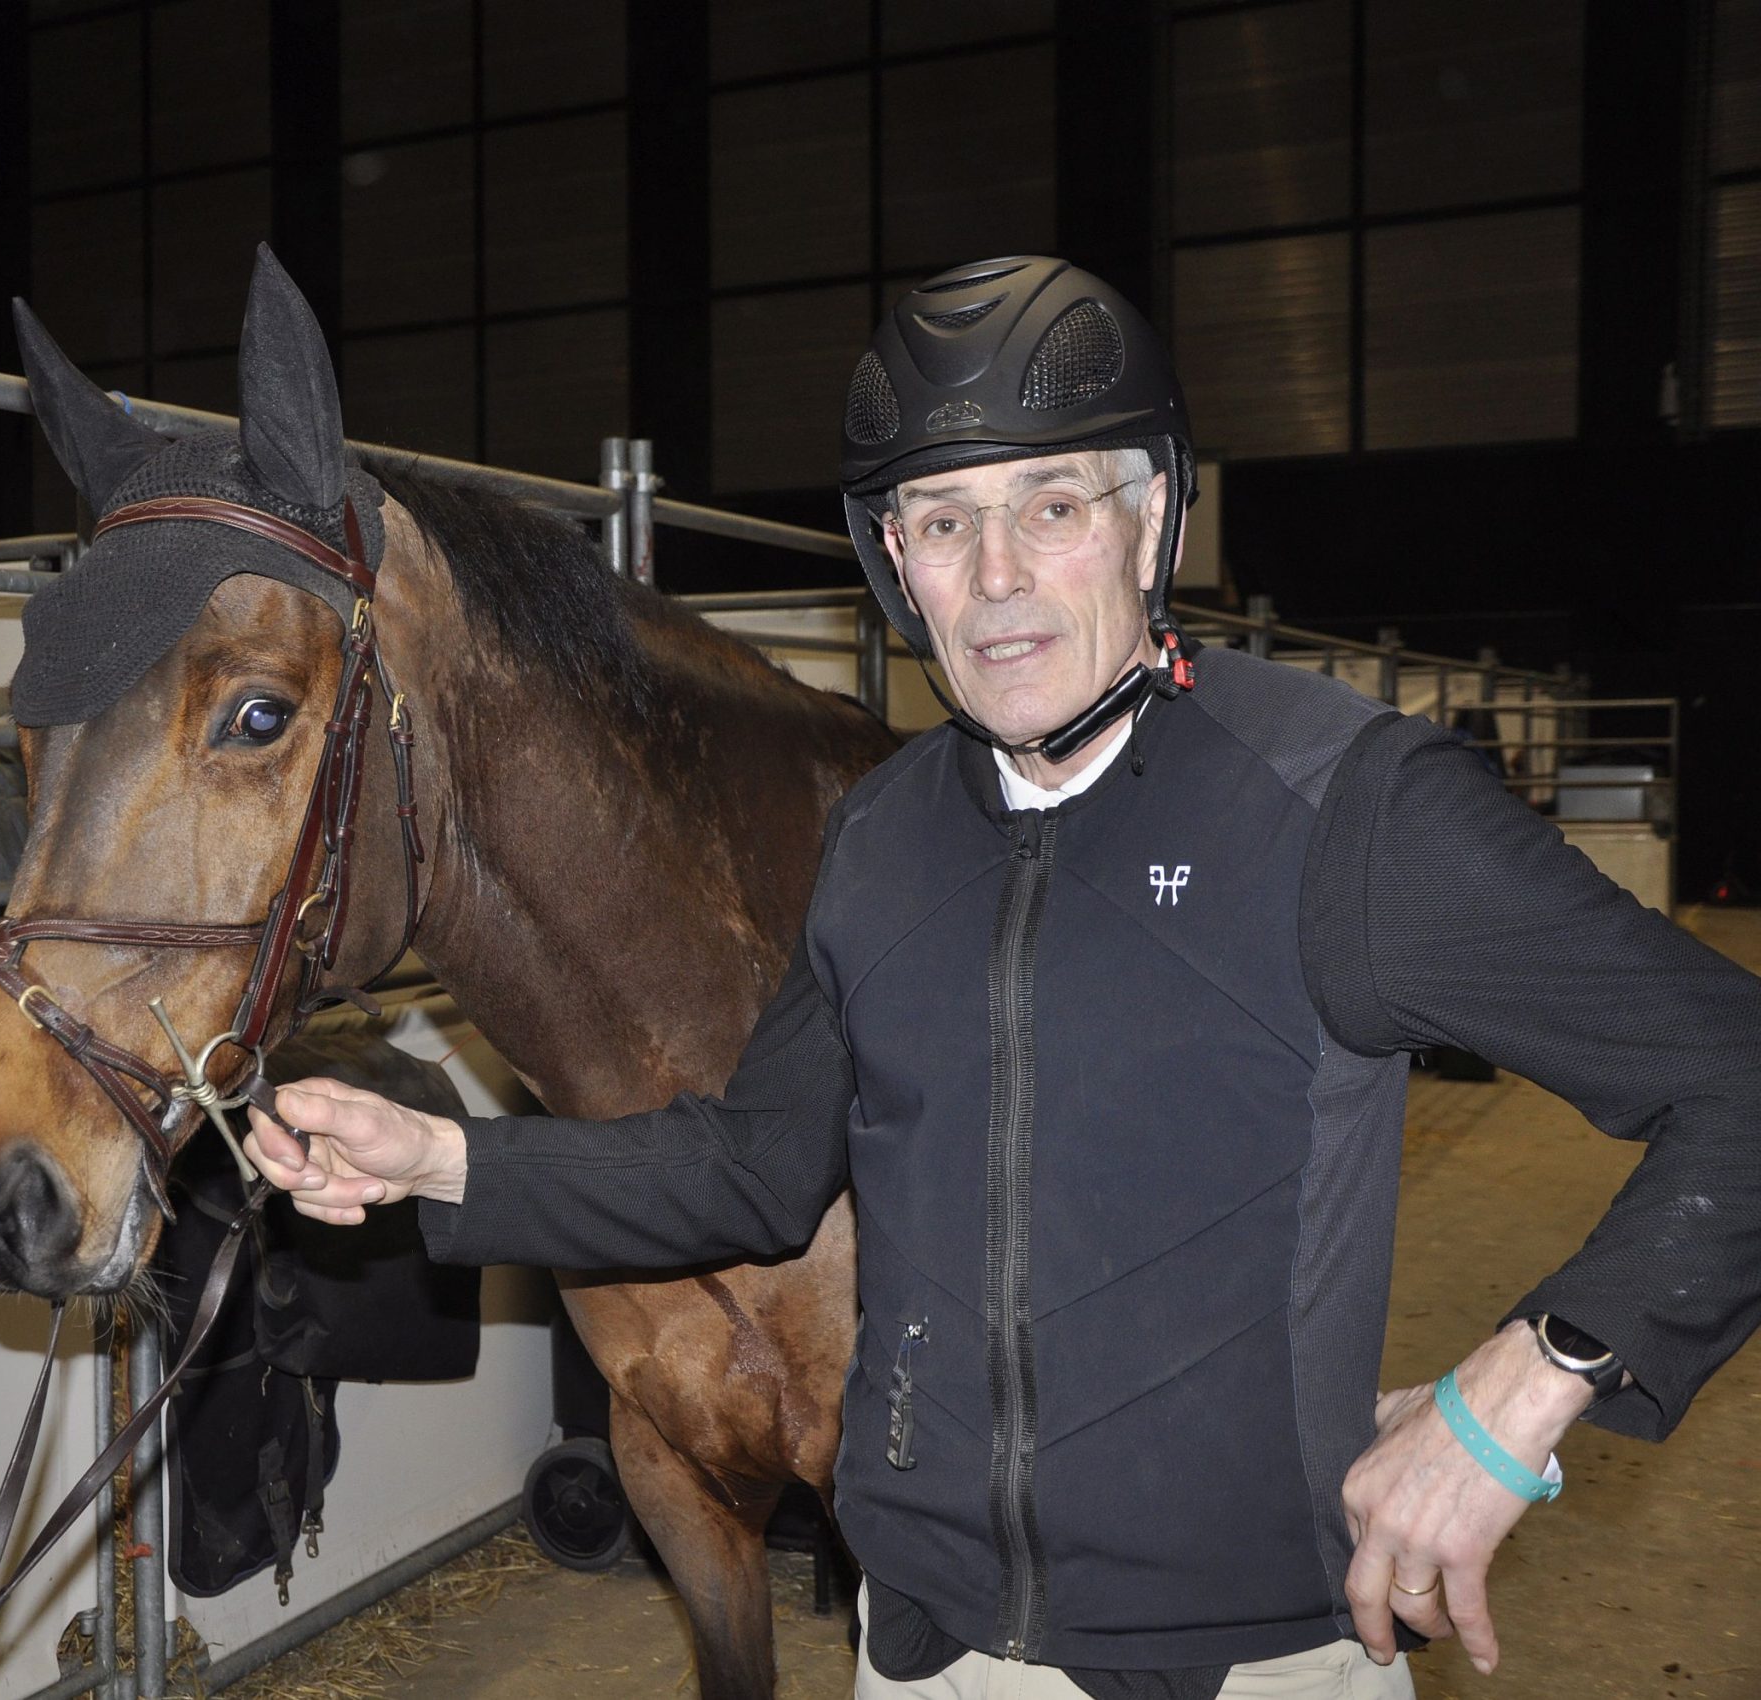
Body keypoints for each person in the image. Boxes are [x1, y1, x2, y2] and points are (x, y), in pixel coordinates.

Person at [242, 256, 1761, 1700]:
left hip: (1257, 1657)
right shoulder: (887, 837)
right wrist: (444, 1161)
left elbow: (1737, 1074)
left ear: (1154, 514)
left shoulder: (1341, 807)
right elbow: (754, 1167)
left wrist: (1526, 1387)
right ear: (894, 559)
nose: (1001, 577)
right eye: (945, 521)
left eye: (1053, 504)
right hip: (934, 1652)